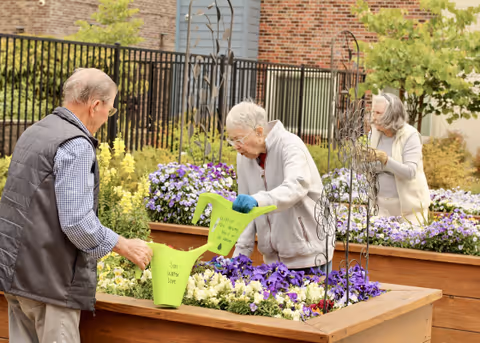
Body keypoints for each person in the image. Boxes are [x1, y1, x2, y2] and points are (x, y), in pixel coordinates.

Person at [0, 68, 153, 343]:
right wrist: (123, 245)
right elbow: (77, 222)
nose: (109, 115)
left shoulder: (36, 132)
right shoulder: (76, 145)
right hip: (51, 284)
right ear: (96, 105)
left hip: (16, 276)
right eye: (111, 108)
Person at [226, 100, 334, 274]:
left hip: (310, 256)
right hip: (273, 263)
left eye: (239, 139)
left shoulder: (290, 145)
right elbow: (245, 214)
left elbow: (295, 187)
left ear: (259, 132)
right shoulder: (244, 157)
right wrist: (238, 260)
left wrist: (257, 199)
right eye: (232, 140)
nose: (236, 146)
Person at [366, 92, 430, 224]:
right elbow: (365, 167)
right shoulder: (374, 134)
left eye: (378, 113)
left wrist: (386, 160)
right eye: (373, 112)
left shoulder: (410, 135)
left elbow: (410, 172)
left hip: (409, 212)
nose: (373, 117)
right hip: (380, 209)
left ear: (392, 115)